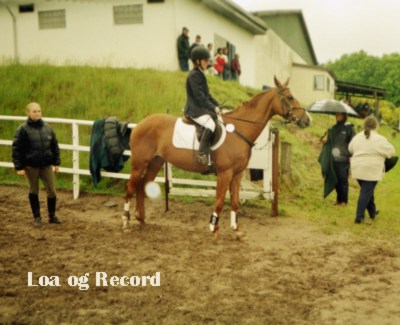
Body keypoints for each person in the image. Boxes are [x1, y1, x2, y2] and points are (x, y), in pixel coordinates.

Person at [12, 102, 62, 226]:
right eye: (34, 111)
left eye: (39, 111)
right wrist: (19, 166)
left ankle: (52, 215)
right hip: (31, 165)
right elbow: (17, 149)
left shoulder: (48, 128)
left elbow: (54, 146)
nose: (37, 113)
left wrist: (56, 163)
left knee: (51, 190)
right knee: (33, 190)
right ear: (28, 113)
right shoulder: (22, 130)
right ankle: (37, 217)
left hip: (46, 165)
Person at [349, 116, 395, 224]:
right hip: (371, 170)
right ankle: (359, 218)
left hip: (357, 169)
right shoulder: (379, 139)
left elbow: (350, 149)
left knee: (368, 191)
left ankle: (373, 212)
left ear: (364, 125)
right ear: (376, 126)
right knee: (366, 192)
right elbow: (391, 151)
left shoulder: (357, 137)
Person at [184, 46, 220, 165]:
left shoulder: (200, 74)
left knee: (216, 119)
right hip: (194, 109)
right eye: (205, 60)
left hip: (200, 107)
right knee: (210, 125)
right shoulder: (194, 75)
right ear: (198, 61)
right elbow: (200, 98)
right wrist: (213, 108)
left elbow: (207, 96)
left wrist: (218, 105)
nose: (207, 62)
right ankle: (202, 154)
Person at [319, 112, 355, 205]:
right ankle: (338, 200)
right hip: (332, 158)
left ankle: (344, 201)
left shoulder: (349, 128)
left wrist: (350, 155)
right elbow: (324, 139)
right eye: (336, 114)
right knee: (335, 179)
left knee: (343, 180)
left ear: (344, 116)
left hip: (343, 159)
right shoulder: (332, 128)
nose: (337, 116)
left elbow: (354, 143)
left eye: (339, 114)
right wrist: (323, 138)